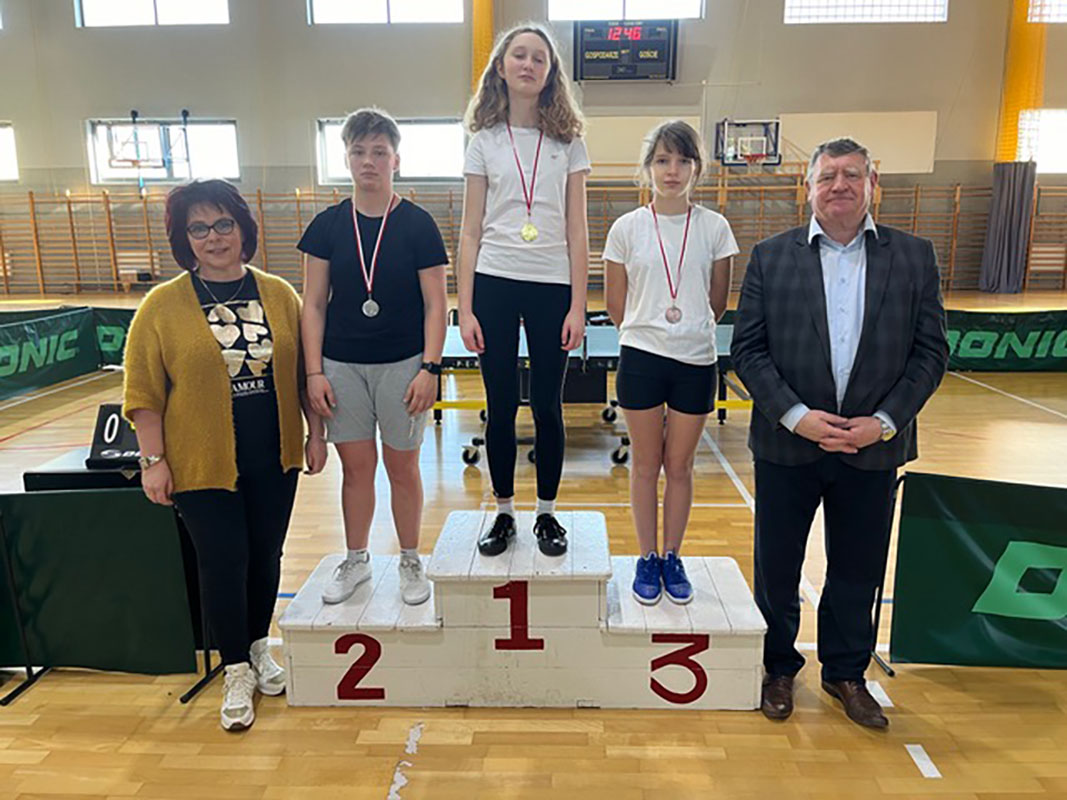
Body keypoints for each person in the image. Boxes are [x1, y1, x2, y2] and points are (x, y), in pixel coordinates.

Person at [731, 138, 948, 729]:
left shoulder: (915, 257)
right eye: (827, 176)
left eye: (852, 174)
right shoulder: (770, 256)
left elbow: (931, 353)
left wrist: (883, 424)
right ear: (808, 188)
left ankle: (846, 674)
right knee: (776, 568)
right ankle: (778, 668)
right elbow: (748, 350)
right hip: (787, 444)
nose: (840, 185)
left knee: (858, 568)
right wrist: (796, 415)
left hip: (872, 448)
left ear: (873, 183)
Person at [123, 179, 326, 732]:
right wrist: (153, 461)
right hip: (200, 462)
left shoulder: (278, 294)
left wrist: (315, 435)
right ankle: (235, 667)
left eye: (222, 224)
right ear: (184, 238)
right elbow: (143, 393)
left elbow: (303, 374)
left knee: (265, 557)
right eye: (199, 228)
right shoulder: (161, 306)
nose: (213, 237)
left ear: (242, 229)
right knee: (223, 561)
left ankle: (259, 646)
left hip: (273, 456)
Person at [299, 107, 448, 607]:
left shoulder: (418, 225)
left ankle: (410, 558)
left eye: (379, 152)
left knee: (403, 468)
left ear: (396, 160)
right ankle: (357, 559)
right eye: (359, 151)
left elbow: (436, 305)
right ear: (346, 158)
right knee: (357, 469)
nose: (369, 161)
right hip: (341, 366)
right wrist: (314, 371)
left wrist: (430, 368)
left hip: (404, 364)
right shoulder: (326, 226)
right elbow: (313, 304)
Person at [457, 23, 591, 558]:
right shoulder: (484, 142)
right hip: (494, 280)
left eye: (540, 58)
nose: (529, 64)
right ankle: (505, 512)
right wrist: (465, 308)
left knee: (548, 406)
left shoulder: (569, 143)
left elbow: (578, 230)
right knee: (501, 404)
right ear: (502, 66)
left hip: (551, 284)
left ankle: (547, 514)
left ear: (551, 72)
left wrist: (579, 305)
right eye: (519, 55)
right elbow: (470, 231)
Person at [604, 120, 736, 605]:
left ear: (697, 168)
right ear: (648, 168)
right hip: (641, 357)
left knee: (679, 466)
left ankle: (672, 556)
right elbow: (616, 305)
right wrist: (650, 331)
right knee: (645, 465)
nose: (672, 170)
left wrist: (686, 329)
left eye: (683, 160)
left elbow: (717, 301)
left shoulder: (715, 228)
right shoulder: (626, 228)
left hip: (695, 362)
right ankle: (646, 556)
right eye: (662, 160)